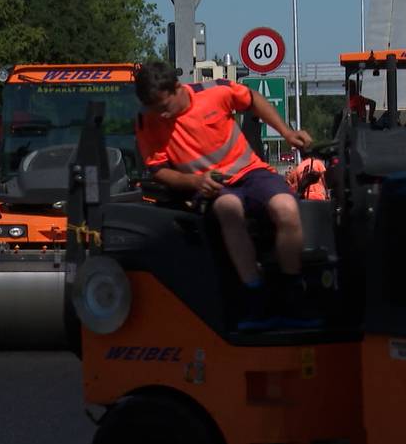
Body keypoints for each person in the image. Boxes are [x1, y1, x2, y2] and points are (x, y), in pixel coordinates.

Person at [133, 61, 317, 331]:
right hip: (212, 187)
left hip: (251, 172)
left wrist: (287, 133)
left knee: (286, 207)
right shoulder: (147, 121)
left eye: (163, 107)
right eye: (153, 109)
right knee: (229, 209)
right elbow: (158, 171)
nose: (159, 115)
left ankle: (292, 295)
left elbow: (253, 99)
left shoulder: (215, 92)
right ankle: (255, 298)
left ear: (177, 88)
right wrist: (195, 181)